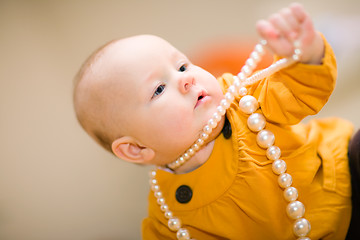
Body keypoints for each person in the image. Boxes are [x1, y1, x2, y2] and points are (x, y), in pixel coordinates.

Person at [73, 2, 359, 239]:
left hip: (345, 176)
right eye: (158, 89)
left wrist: (308, 55)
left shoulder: (244, 99)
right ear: (136, 149)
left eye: (182, 65)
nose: (185, 79)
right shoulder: (168, 223)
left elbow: (300, 89)